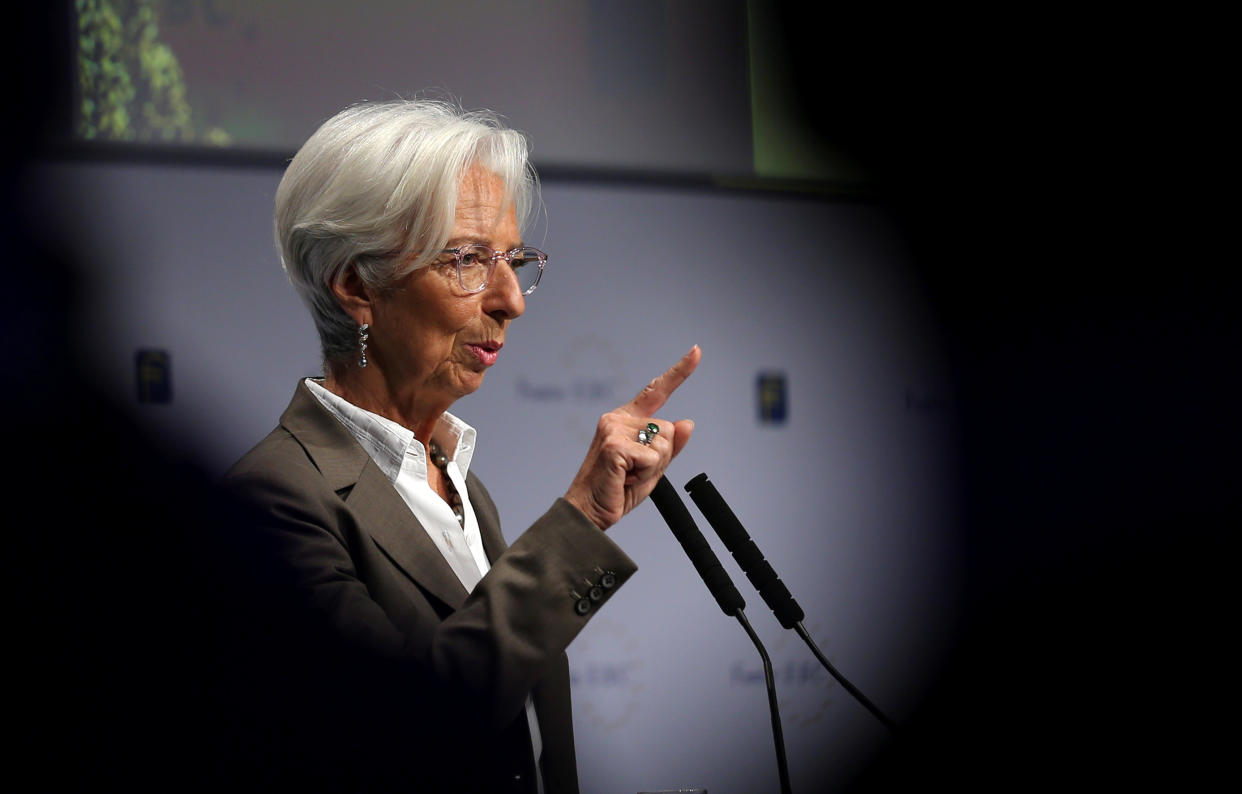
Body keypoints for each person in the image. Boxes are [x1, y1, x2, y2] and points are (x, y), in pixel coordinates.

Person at [223, 99, 700, 793]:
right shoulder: (275, 500)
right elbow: (409, 719)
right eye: (469, 259)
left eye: (512, 260)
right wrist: (580, 523)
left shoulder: (456, 481)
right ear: (358, 285)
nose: (512, 299)